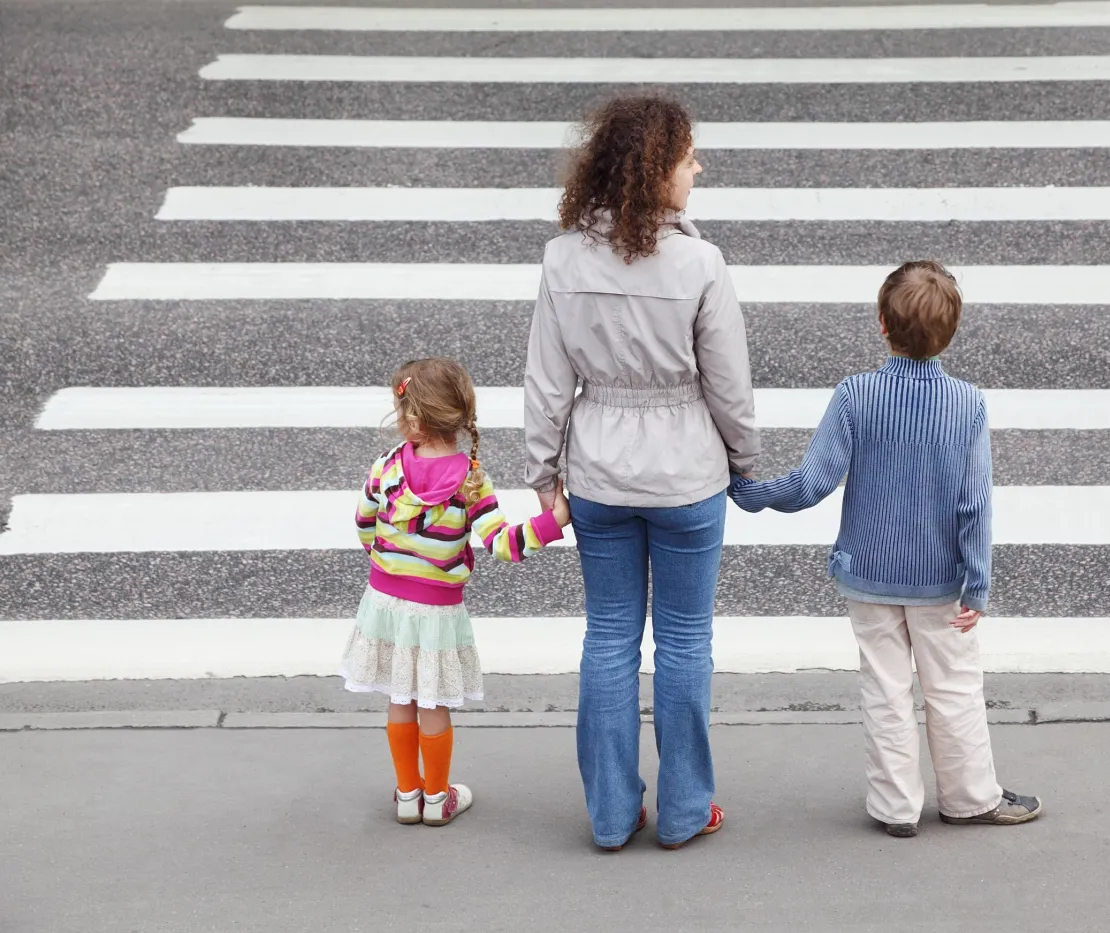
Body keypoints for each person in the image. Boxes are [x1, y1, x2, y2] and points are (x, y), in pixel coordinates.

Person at [729, 261, 1042, 837]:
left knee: (885, 689)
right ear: (951, 332)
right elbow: (975, 504)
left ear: (881, 324)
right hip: (942, 580)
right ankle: (970, 798)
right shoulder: (968, 404)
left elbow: (812, 483)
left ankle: (896, 807)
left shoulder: (856, 396)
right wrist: (978, 583)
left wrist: (748, 493)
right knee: (952, 688)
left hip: (870, 575)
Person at [523, 92, 760, 851]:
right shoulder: (700, 262)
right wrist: (745, 463)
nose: (699, 167)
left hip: (598, 473)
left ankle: (610, 811)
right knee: (686, 641)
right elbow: (729, 385)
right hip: (688, 473)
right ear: (659, 172)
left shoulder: (562, 259)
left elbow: (546, 381)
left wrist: (544, 476)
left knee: (609, 636)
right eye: (689, 156)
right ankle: (687, 807)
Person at [340, 357, 570, 827]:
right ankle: (437, 797)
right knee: (433, 702)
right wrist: (555, 521)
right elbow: (502, 545)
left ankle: (407, 794)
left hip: (384, 601)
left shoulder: (385, 467)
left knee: (399, 698)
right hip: (436, 611)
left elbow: (365, 525)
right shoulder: (470, 480)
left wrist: (388, 566)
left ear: (411, 418)